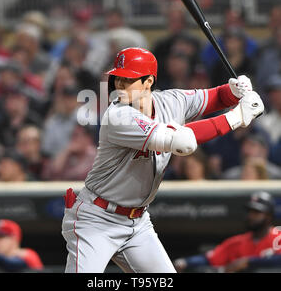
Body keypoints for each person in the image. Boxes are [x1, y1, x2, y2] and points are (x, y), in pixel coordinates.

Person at [61, 47, 264, 273]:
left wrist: (234, 91)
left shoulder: (171, 100)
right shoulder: (117, 115)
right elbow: (183, 142)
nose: (119, 85)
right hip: (96, 219)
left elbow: (215, 97)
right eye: (117, 78)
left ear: (148, 82)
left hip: (137, 222)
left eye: (127, 80)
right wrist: (238, 117)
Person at [174, 191, 281, 273]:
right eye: (250, 212)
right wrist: (185, 262)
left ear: (268, 216)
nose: (251, 216)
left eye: (257, 213)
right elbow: (209, 259)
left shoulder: (278, 237)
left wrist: (249, 262)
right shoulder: (236, 242)